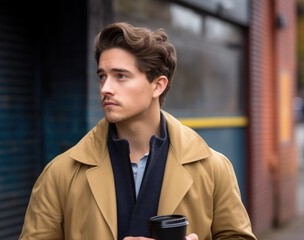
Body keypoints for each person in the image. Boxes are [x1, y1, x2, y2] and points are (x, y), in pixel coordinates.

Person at [19, 22, 257, 240]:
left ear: (158, 85)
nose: (105, 88)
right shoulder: (59, 175)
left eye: (120, 76)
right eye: (102, 76)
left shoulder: (214, 169)